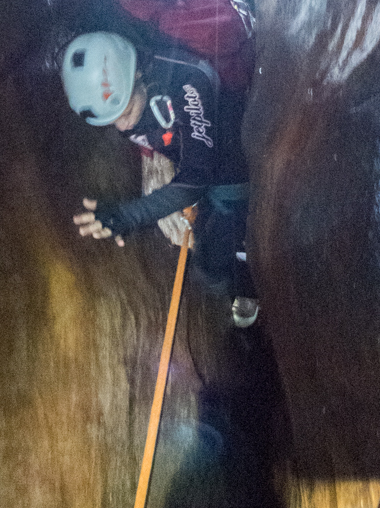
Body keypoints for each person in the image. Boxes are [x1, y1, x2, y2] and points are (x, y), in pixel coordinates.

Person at [61, 30, 258, 327]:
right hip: (188, 155)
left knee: (213, 259)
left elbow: (195, 180)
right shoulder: (127, 94)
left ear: (137, 74)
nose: (123, 126)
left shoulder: (188, 83)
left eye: (126, 111)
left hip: (227, 163)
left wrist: (127, 216)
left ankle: (250, 291)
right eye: (112, 121)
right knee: (206, 241)